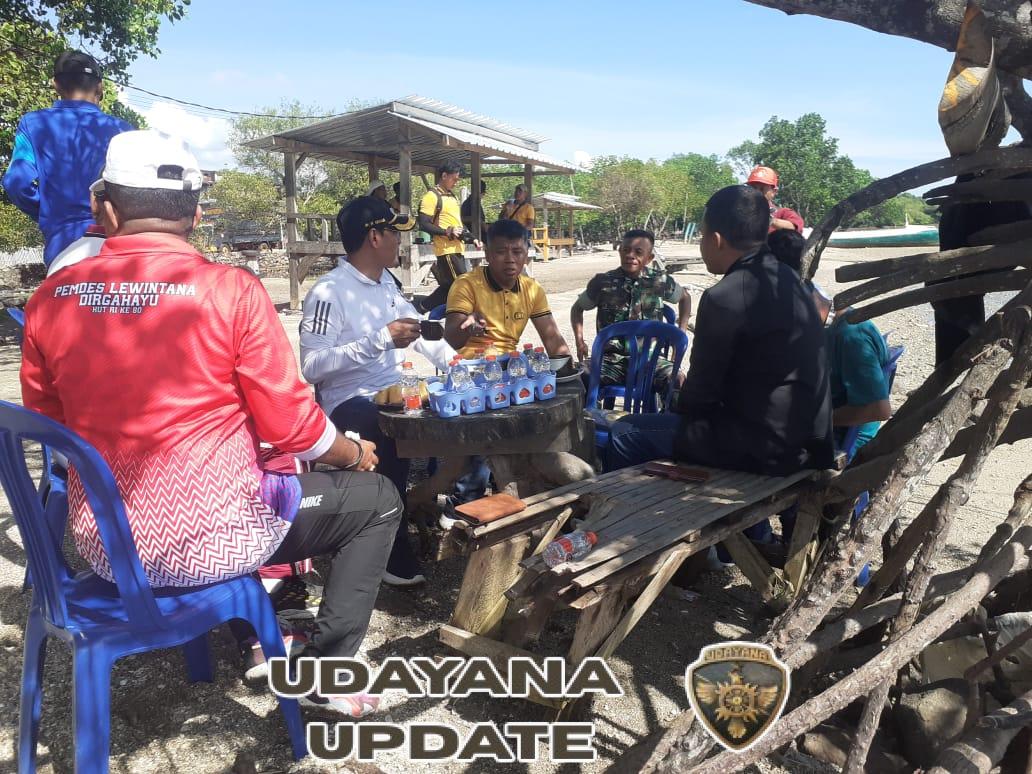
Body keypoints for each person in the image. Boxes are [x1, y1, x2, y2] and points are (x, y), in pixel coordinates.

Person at [20, 130, 399, 718]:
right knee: (377, 500)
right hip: (217, 542)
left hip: (106, 550)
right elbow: (293, 426)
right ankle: (326, 672)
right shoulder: (232, 290)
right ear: (196, 215)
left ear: (105, 210)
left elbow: (52, 429)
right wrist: (352, 453)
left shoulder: (50, 299)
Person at [606, 184, 834, 476]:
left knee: (625, 431)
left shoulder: (725, 296)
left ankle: (625, 506)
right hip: (811, 442)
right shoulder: (789, 281)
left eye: (702, 236)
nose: (702, 244)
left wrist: (675, 406)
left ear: (716, 240)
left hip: (766, 449)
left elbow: (699, 395)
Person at [300, 196, 456, 586]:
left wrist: (462, 368)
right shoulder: (329, 292)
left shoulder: (386, 282)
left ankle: (436, 501)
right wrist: (380, 340)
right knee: (388, 426)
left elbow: (420, 333)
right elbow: (311, 366)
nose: (400, 242)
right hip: (348, 401)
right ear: (374, 237)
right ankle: (389, 547)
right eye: (394, 234)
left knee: (453, 411)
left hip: (392, 391)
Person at [2, 50, 131, 271]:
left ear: (56, 85)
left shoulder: (33, 123)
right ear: (100, 87)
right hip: (114, 241)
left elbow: (16, 182)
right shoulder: (123, 130)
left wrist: (47, 213)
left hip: (62, 244)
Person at [767, 228, 891, 453]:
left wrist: (810, 422)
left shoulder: (851, 334)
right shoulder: (827, 326)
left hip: (840, 439)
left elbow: (878, 409)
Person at [571, 228, 691, 395]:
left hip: (651, 361)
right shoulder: (602, 282)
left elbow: (685, 298)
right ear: (619, 251)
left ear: (649, 258)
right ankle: (589, 412)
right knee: (576, 377)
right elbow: (577, 308)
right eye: (626, 250)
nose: (630, 255)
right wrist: (579, 341)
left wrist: (680, 333)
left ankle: (666, 412)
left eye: (638, 252)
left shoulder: (660, 281)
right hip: (610, 361)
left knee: (678, 381)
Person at [444, 219, 572, 359]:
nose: (510, 259)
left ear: (526, 255)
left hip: (510, 364)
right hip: (469, 365)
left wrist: (569, 368)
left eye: (517, 252)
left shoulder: (532, 289)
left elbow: (552, 338)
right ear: (487, 254)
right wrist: (468, 328)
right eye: (501, 252)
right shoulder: (466, 284)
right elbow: (451, 341)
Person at [417, 162, 475, 313]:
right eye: (454, 179)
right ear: (444, 176)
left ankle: (420, 309)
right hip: (446, 250)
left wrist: (472, 237)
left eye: (458, 180)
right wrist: (447, 232)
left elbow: (457, 223)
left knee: (448, 287)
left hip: (458, 249)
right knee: (462, 286)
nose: (456, 182)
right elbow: (423, 224)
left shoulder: (452, 196)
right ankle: (465, 317)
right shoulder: (431, 197)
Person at [746, 166, 805, 234]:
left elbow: (795, 228)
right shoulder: (739, 211)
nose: (756, 192)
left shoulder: (783, 213)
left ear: (774, 192)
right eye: (753, 188)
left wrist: (770, 220)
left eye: (762, 189)